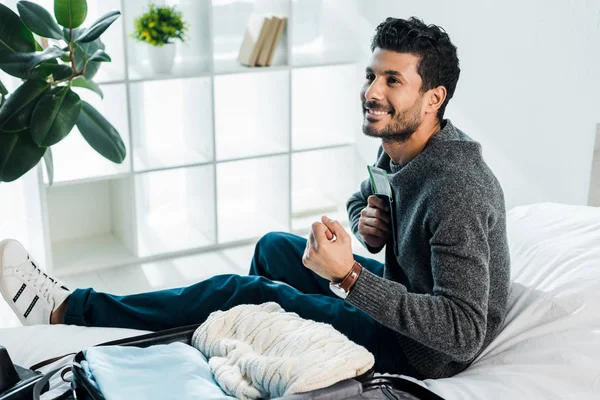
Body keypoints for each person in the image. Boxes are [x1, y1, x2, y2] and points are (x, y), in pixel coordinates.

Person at [0, 17, 510, 380]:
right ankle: (241, 341)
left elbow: (462, 333)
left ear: (433, 98)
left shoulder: (457, 189)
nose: (372, 91)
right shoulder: (401, 143)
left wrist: (349, 277)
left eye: (392, 80)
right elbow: (363, 199)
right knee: (271, 248)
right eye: (371, 75)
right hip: (407, 293)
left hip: (419, 350)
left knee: (238, 290)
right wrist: (370, 224)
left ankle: (67, 311)